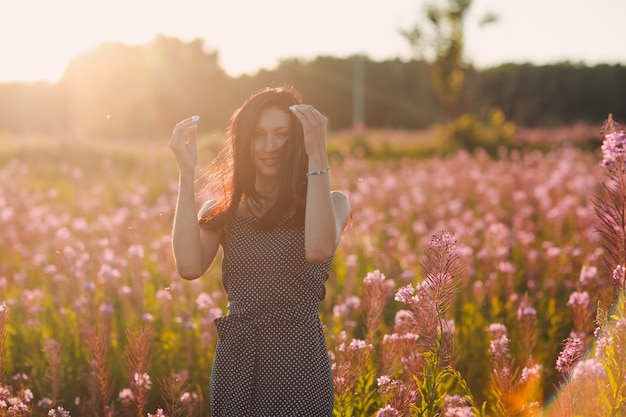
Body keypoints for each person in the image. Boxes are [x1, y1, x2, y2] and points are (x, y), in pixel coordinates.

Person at [169, 85, 351, 416]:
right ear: (244, 142)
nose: (269, 147)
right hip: (237, 361)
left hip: (299, 361)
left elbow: (318, 248)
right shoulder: (224, 211)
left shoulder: (332, 203)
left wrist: (318, 154)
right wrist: (186, 172)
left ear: (297, 139)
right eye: (258, 135)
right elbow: (188, 266)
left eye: (282, 134)